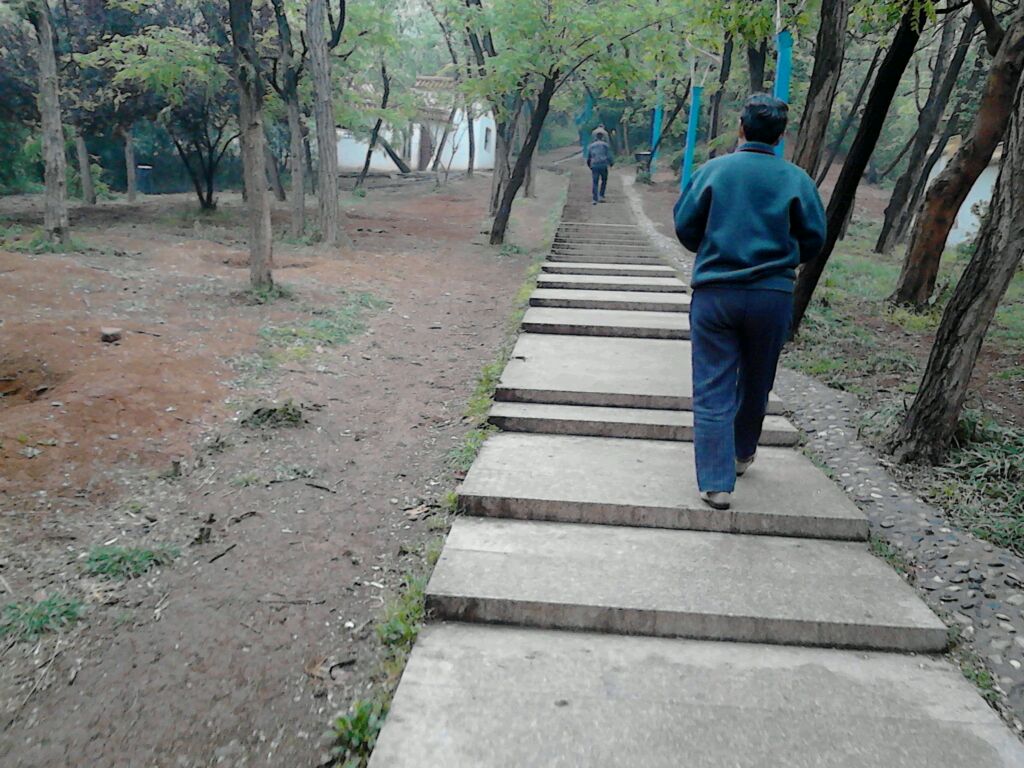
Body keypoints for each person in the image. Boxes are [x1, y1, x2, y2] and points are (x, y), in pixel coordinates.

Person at [673, 94, 826, 510]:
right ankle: (742, 453)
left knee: (712, 386)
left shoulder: (713, 171)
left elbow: (685, 226)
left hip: (716, 294)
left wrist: (713, 248)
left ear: (741, 128)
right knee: (758, 381)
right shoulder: (797, 180)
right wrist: (782, 258)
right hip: (771, 296)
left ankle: (716, 483)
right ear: (781, 135)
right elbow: (814, 237)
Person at [586, 133, 614, 205]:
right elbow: (609, 155)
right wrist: (611, 163)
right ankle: (601, 195)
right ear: (602, 137)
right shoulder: (605, 145)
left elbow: (589, 157)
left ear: (596, 138)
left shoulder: (591, 146)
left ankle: (595, 199)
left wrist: (589, 165)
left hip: (595, 165)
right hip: (603, 165)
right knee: (604, 180)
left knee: (595, 182)